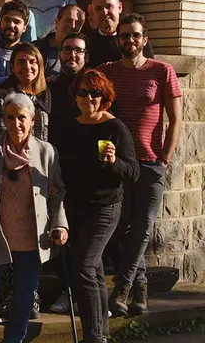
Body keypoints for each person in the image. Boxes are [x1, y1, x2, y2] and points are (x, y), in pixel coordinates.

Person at [0, 92, 68, 343]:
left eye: (21, 118)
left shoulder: (46, 153)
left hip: (31, 240)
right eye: (10, 117)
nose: (15, 124)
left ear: (32, 120)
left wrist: (60, 224)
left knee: (23, 299)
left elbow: (57, 193)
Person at [99, 13, 182, 317]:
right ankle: (141, 288)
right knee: (122, 229)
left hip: (150, 163)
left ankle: (123, 286)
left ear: (144, 39)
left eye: (135, 35)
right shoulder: (106, 71)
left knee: (144, 227)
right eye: (124, 35)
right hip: (119, 164)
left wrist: (164, 159)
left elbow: (175, 120)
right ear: (117, 39)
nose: (129, 40)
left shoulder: (162, 70)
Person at [59, 69, 139, 343]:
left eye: (95, 93)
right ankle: (101, 330)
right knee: (91, 270)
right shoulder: (71, 126)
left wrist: (115, 162)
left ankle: (93, 337)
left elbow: (134, 172)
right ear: (76, 96)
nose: (88, 98)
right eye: (83, 92)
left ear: (104, 97)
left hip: (105, 207)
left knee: (82, 267)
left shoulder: (114, 127)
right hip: (76, 207)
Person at [0, 42, 52, 142]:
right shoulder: (3, 94)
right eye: (21, 62)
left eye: (32, 61)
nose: (27, 67)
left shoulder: (45, 95)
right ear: (12, 67)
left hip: (40, 155)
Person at [86, 0, 153, 68]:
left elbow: (150, 69)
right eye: (99, 9)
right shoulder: (87, 43)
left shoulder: (136, 40)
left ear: (120, 8)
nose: (104, 12)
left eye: (108, 7)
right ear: (93, 13)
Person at [47, 32, 89, 150]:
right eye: (67, 49)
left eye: (78, 50)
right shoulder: (48, 88)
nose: (72, 54)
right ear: (59, 54)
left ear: (86, 57)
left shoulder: (95, 88)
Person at [33, 4, 86, 77]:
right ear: (57, 21)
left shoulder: (83, 53)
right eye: (68, 20)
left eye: (78, 23)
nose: (73, 26)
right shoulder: (35, 49)